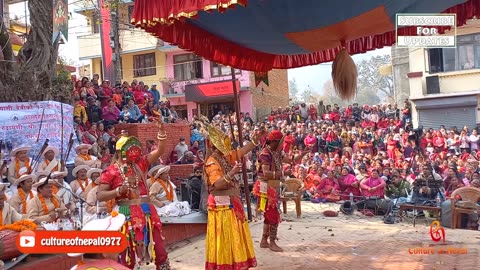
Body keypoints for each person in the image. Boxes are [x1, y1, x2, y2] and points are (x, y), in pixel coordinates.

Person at [96, 120, 171, 270]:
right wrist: (117, 191)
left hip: (146, 211)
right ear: (121, 151)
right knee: (127, 253)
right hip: (125, 214)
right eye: (130, 149)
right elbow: (100, 195)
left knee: (159, 249)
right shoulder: (111, 171)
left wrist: (161, 131)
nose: (134, 153)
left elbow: (160, 150)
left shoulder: (140, 163)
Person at [200, 116, 258, 269]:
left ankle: (235, 264)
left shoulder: (224, 156)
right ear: (214, 145)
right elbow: (217, 184)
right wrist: (231, 173)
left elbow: (240, 152)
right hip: (222, 206)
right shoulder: (212, 161)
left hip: (231, 202)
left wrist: (254, 141)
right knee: (225, 237)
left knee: (234, 236)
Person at [253, 129, 309, 252]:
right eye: (280, 142)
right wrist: (283, 172)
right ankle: (272, 241)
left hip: (274, 186)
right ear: (273, 142)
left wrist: (303, 154)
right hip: (266, 187)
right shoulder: (265, 154)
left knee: (270, 215)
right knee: (273, 214)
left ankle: (264, 240)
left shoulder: (277, 153)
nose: (282, 144)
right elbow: (266, 173)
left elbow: (291, 160)